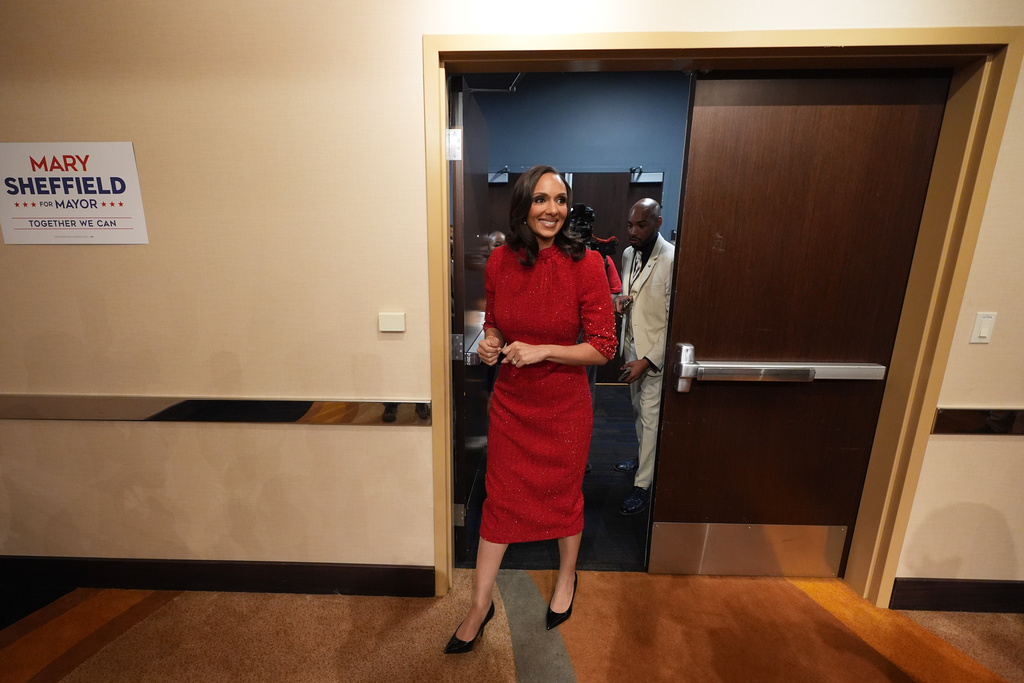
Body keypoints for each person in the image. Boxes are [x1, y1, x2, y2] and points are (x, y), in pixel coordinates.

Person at [444, 165, 617, 654]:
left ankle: (566, 578)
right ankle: (480, 603)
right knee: (500, 498)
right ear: (523, 207)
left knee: (563, 495)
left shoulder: (588, 265)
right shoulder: (500, 260)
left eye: (560, 200)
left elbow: (604, 347)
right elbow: (495, 323)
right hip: (513, 404)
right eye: (541, 200)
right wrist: (489, 343)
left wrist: (544, 350)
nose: (552, 210)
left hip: (563, 408)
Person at [614, 198, 674, 516]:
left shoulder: (672, 259)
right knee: (638, 412)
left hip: (653, 356)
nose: (633, 231)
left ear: (658, 223)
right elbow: (631, 292)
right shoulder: (627, 254)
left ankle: (643, 486)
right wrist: (619, 302)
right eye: (629, 225)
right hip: (631, 348)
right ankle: (642, 462)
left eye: (641, 225)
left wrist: (648, 360)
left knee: (651, 420)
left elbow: (673, 319)